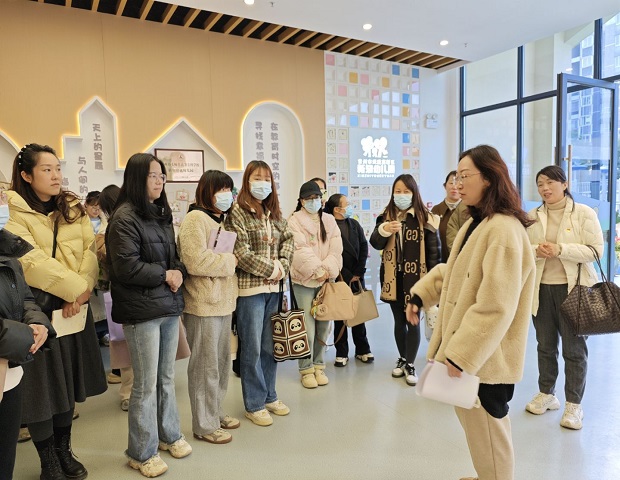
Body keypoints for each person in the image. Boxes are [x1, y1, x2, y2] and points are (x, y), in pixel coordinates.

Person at [406, 144, 536, 480]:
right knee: (476, 427)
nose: (457, 184)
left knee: (490, 429)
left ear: (489, 178)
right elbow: (454, 273)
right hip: (474, 352)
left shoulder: (503, 230)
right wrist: (421, 296)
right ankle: (486, 475)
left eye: (465, 176)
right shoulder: (477, 224)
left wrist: (462, 354)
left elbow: (496, 304)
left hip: (487, 357)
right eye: (456, 177)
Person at [5, 143, 107, 480]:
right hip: (36, 311)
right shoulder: (13, 211)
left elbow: (89, 251)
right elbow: (31, 262)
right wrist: (75, 289)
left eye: (57, 168)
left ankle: (64, 450)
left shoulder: (72, 207)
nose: (55, 175)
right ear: (26, 175)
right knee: (41, 392)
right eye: (46, 169)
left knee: (68, 386)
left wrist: (83, 289)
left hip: (72, 310)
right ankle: (48, 459)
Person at [106, 153, 191, 477]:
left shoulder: (161, 214)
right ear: (136, 178)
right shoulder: (124, 217)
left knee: (166, 378)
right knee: (144, 384)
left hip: (167, 306)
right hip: (141, 312)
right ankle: (141, 453)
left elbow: (175, 258)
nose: (159, 181)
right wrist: (165, 274)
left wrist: (179, 271)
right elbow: (126, 267)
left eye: (162, 176)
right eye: (153, 175)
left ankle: (170, 435)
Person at [524, 165, 603, 430]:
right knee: (544, 346)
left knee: (574, 349)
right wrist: (537, 250)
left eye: (550, 182)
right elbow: (523, 249)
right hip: (541, 289)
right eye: (540, 184)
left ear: (565, 184)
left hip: (575, 290)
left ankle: (574, 404)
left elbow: (595, 251)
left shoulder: (584, 213)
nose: (545, 188)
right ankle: (547, 394)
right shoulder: (532, 216)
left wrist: (561, 249)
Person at [224, 160, 294, 427]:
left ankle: (269, 395)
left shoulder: (273, 212)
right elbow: (240, 253)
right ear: (247, 181)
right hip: (250, 291)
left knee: (269, 347)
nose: (262, 183)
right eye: (257, 178)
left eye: (267, 179)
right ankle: (254, 404)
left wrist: (282, 267)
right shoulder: (237, 212)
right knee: (252, 348)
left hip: (274, 289)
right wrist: (272, 269)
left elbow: (289, 241)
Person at [178, 170, 240, 444]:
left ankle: (214, 412)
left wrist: (229, 261)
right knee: (205, 366)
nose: (227, 195)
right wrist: (230, 262)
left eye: (229, 189)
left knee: (222, 363)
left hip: (223, 302)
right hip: (203, 303)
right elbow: (196, 261)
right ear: (207, 191)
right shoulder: (195, 219)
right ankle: (204, 425)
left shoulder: (221, 220)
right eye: (221, 189)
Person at [0, 191, 53, 480]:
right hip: (9, 353)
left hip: (10, 374)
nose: (3, 203)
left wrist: (38, 324)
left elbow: (25, 298)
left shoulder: (8, 250)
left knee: (5, 461)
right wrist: (24, 335)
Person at [369, 174, 441, 386]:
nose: (401, 195)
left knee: (413, 321)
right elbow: (375, 243)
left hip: (417, 279)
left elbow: (434, 254)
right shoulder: (386, 216)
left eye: (406, 191)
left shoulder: (426, 218)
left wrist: (433, 285)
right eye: (397, 191)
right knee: (399, 321)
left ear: (414, 193)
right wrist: (384, 230)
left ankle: (410, 364)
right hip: (392, 278)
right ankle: (402, 358)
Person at [289, 181, 342, 388]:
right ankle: (306, 369)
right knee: (307, 329)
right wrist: (317, 270)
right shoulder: (293, 220)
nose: (314, 201)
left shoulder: (329, 220)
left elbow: (336, 249)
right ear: (302, 201)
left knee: (323, 326)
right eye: (309, 198)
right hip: (303, 282)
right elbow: (298, 249)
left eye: (317, 198)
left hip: (325, 282)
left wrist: (327, 270)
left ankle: (319, 365)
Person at [324, 193, 373, 367]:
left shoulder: (354, 224)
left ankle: (362, 349)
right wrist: (344, 273)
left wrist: (359, 271)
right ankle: (342, 352)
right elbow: (329, 252)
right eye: (347, 204)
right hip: (339, 277)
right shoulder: (328, 227)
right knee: (340, 316)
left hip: (357, 276)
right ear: (337, 209)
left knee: (359, 314)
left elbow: (364, 246)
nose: (350, 206)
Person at [98, 184, 133, 410]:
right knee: (126, 344)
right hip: (128, 294)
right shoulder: (111, 228)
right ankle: (129, 392)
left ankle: (128, 393)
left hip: (120, 293)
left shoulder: (109, 228)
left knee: (124, 345)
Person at [84, 190, 110, 348]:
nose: (96, 210)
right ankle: (93, 335)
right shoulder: (80, 222)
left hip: (103, 267)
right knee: (92, 304)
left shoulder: (106, 223)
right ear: (86, 205)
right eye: (93, 206)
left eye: (99, 207)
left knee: (104, 302)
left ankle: (104, 334)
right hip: (87, 266)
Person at [431, 170, 461, 262]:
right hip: (441, 262)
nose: (454, 187)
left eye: (457, 183)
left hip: (462, 262)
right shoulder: (436, 210)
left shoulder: (469, 210)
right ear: (445, 186)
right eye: (451, 183)